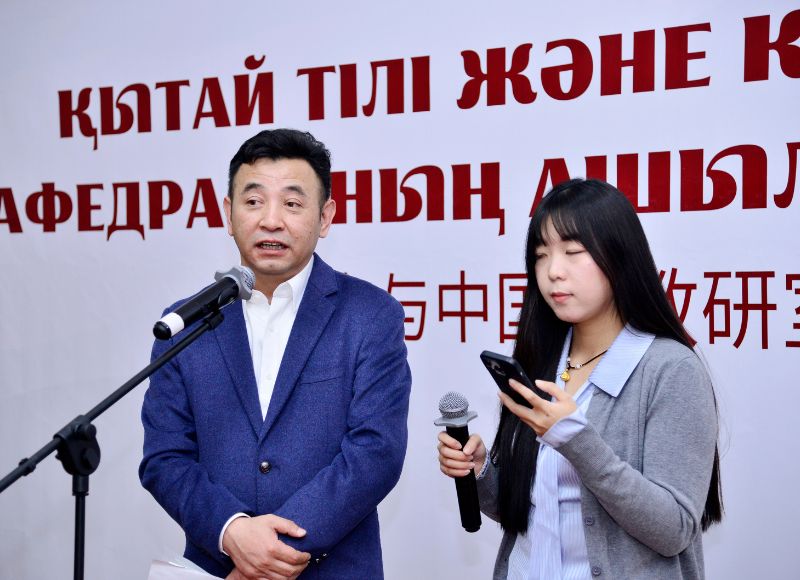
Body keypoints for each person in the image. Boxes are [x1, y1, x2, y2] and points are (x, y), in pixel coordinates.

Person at [140, 129, 412, 580]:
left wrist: (269, 555)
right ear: (228, 214)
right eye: (253, 201)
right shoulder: (185, 323)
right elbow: (165, 457)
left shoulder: (369, 315)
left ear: (325, 217)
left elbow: (376, 452)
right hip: (218, 565)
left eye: (292, 203)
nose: (271, 220)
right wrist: (231, 531)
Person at [437, 179, 723, 579]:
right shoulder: (540, 359)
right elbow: (531, 511)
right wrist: (482, 470)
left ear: (620, 256)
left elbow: (673, 529)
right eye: (541, 255)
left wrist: (576, 440)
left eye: (573, 252)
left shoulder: (670, 369)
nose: (553, 271)